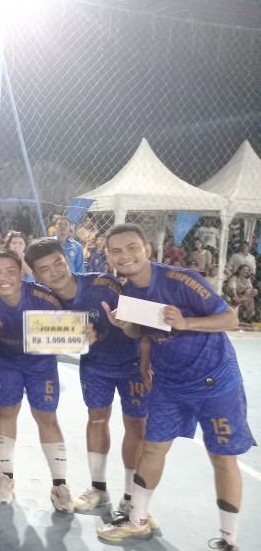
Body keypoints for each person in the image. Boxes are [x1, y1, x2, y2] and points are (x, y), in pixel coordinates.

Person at [96, 224, 253, 551]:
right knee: (153, 447)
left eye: (132, 248)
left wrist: (186, 322)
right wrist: (129, 333)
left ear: (147, 250)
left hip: (214, 381)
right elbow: (144, 333)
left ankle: (229, 540)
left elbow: (230, 319)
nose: (125, 256)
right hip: (168, 383)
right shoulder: (128, 292)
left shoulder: (182, 280)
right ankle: (137, 520)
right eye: (116, 251)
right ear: (108, 257)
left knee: (222, 457)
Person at [24, 238, 148, 513]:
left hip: (132, 364)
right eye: (45, 269)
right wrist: (71, 340)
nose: (55, 272)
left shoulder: (104, 284)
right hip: (95, 366)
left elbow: (140, 324)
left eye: (58, 263)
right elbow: (41, 339)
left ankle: (130, 495)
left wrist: (128, 328)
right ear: (36, 275)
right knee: (97, 419)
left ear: (67, 260)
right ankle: (99, 489)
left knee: (136, 426)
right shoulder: (44, 301)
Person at [0, 249, 75, 513]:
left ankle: (59, 485)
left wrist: (77, 335)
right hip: (7, 363)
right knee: (7, 412)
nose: (3, 278)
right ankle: (6, 476)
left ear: (22, 273)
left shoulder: (45, 299)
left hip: (41, 365)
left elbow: (68, 338)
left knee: (47, 418)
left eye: (10, 271)